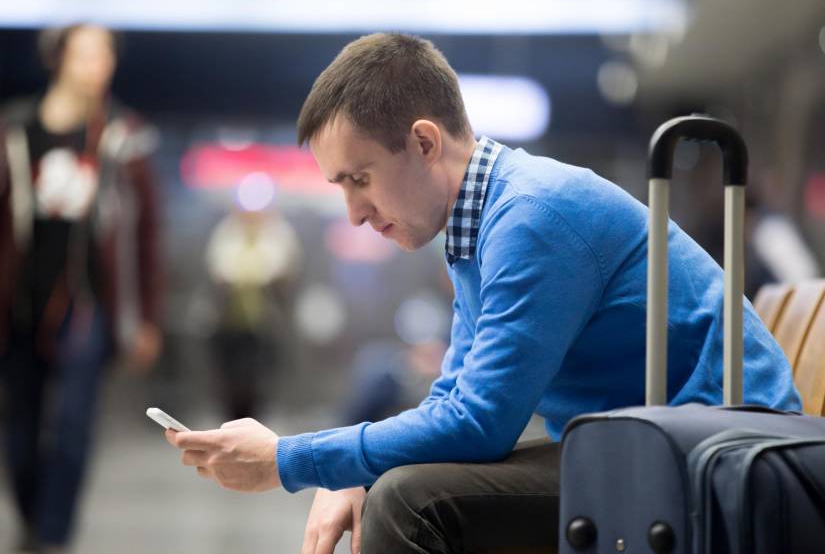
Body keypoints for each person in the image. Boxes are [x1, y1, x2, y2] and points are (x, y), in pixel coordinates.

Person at [165, 33, 800, 553]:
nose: (355, 212)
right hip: (653, 441)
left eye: (360, 179)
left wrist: (289, 459)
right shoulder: (478, 222)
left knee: (409, 502)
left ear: (422, 142)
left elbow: (478, 425)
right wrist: (355, 464)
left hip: (720, 459)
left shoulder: (532, 217)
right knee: (395, 481)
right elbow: (455, 395)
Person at [0, 24, 162, 553]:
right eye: (86, 54)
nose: (98, 66)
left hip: (89, 306)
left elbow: (146, 233)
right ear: (58, 59)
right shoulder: (16, 132)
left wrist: (146, 319)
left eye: (106, 56)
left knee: (73, 425)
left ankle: (52, 536)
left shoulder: (124, 135)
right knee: (18, 434)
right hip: (20, 304)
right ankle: (31, 519)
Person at [205, 203, 301, 420]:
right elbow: (218, 273)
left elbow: (284, 275)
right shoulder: (226, 235)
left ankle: (255, 421)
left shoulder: (278, 235)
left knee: (260, 379)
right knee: (230, 379)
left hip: (264, 323)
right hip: (229, 322)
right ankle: (232, 419)